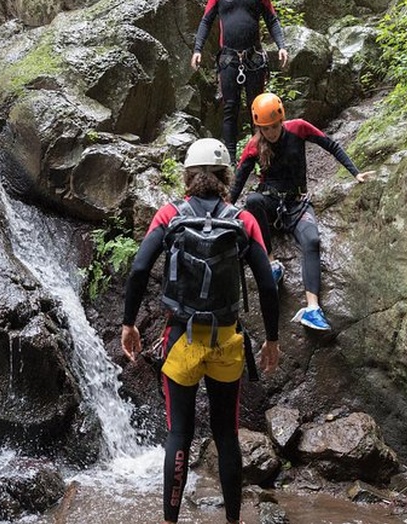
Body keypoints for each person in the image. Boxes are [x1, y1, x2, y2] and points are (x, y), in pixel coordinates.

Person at [121, 138, 280, 524]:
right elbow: (266, 283)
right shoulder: (243, 220)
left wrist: (129, 323)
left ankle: (170, 520)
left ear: (188, 176)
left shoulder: (169, 215)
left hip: (181, 339)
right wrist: (272, 338)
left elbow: (140, 269)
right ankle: (233, 521)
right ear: (226, 176)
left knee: (179, 433)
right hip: (226, 339)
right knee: (227, 433)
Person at [229, 92, 375, 331]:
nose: (272, 132)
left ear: (281, 120)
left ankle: (312, 308)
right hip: (269, 204)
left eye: (275, 126)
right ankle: (272, 263)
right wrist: (220, 210)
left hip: (297, 204)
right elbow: (237, 184)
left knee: (312, 240)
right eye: (266, 129)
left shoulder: (298, 128)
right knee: (253, 200)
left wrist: (355, 172)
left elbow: (331, 145)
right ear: (259, 128)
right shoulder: (255, 146)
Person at [191, 0, 290, 159]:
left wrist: (282, 46)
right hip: (229, 59)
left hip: (254, 58)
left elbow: (271, 19)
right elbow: (206, 20)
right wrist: (197, 49)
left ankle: (262, 157)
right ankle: (230, 161)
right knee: (230, 109)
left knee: (257, 108)